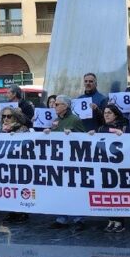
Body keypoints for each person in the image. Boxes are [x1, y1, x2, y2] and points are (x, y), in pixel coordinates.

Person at [43, 95, 87, 230]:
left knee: (75, 191)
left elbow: (84, 139)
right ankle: (62, 218)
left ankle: (79, 219)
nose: (54, 106)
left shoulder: (75, 120)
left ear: (65, 106)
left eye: (57, 104)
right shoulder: (56, 120)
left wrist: (72, 134)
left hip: (72, 161)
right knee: (60, 190)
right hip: (59, 161)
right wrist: (48, 132)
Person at [89, 105, 130, 233]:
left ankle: (120, 221)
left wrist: (124, 136)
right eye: (105, 113)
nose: (106, 115)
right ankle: (111, 219)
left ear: (116, 114)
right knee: (107, 192)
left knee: (118, 193)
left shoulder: (125, 127)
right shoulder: (101, 128)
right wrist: (91, 135)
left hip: (120, 165)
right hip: (106, 166)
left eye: (109, 113)